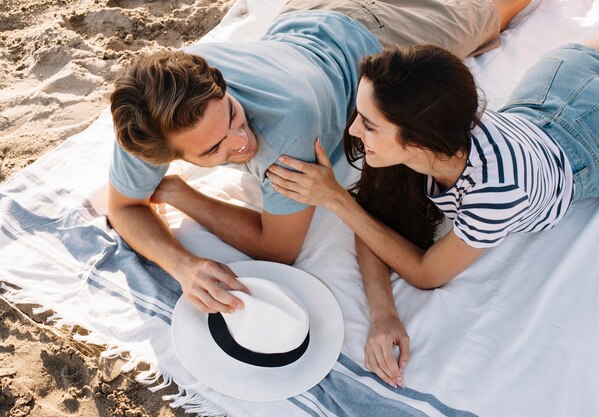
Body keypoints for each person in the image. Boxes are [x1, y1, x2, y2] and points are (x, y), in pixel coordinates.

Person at [108, 0, 531, 315]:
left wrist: (182, 195)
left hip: (384, 44)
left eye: (233, 114)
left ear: (216, 84)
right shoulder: (150, 112)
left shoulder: (284, 127)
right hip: (312, 15)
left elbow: (276, 251)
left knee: (496, 10)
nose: (242, 142)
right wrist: (183, 265)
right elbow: (124, 207)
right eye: (214, 149)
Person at [267, 31, 599, 387]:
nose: (356, 128)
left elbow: (427, 273)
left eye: (369, 123)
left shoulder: (498, 191)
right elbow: (372, 223)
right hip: (544, 92)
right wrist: (383, 314)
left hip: (592, 143)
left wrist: (335, 198)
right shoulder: (413, 141)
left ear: (420, 138)